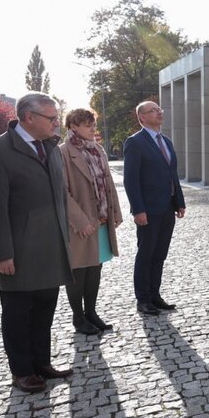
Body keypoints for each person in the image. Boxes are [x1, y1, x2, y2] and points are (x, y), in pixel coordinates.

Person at [0, 92, 74, 393]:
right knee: (18, 312)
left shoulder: (51, 148)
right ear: (29, 117)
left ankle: (41, 362)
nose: (56, 123)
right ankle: (21, 371)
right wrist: (1, 253)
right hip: (18, 251)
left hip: (51, 246)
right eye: (51, 118)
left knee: (45, 308)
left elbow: (60, 196)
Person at [59, 108, 123, 334]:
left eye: (93, 123)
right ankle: (78, 318)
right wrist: (80, 221)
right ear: (72, 126)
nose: (93, 128)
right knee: (79, 270)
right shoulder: (63, 152)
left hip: (101, 219)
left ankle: (91, 312)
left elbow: (108, 183)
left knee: (95, 267)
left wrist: (115, 212)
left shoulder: (98, 150)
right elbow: (62, 192)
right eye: (87, 124)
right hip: (80, 223)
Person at [123, 101, 186, 315]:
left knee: (160, 254)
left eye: (160, 109)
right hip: (148, 210)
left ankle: (155, 295)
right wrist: (137, 210)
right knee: (146, 254)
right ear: (141, 117)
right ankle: (143, 299)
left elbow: (172, 174)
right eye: (153, 110)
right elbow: (131, 180)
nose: (159, 112)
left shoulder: (166, 141)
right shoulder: (135, 142)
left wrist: (179, 201)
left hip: (167, 207)